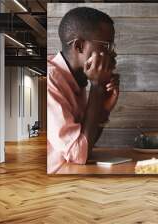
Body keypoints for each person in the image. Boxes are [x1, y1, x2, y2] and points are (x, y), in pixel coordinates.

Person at [47, 7, 119, 173]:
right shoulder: (52, 79)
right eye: (106, 46)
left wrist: (104, 109)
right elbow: (78, 154)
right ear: (79, 46)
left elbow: (87, 146)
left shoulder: (78, 79)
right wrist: (97, 87)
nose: (112, 54)